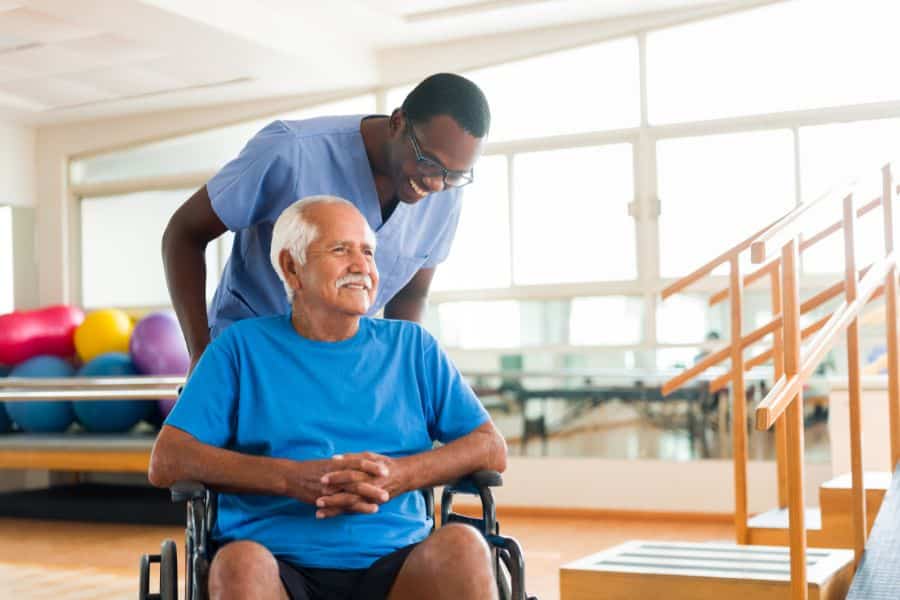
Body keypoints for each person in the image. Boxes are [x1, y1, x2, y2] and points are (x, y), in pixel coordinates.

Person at [149, 196, 507, 600]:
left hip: (396, 560)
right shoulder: (239, 349)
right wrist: (290, 479)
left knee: (464, 546)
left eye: (367, 252)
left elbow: (490, 447)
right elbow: (168, 460)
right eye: (340, 250)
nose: (362, 266)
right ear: (291, 267)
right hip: (276, 562)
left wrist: (402, 475)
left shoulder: (413, 348)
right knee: (238, 565)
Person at [162, 73, 491, 371]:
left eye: (455, 175)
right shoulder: (291, 152)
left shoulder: (446, 194)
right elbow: (184, 233)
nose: (435, 183)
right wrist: (200, 352)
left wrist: (401, 374)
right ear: (398, 122)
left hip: (338, 371)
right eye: (427, 161)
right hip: (248, 362)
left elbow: (410, 295)